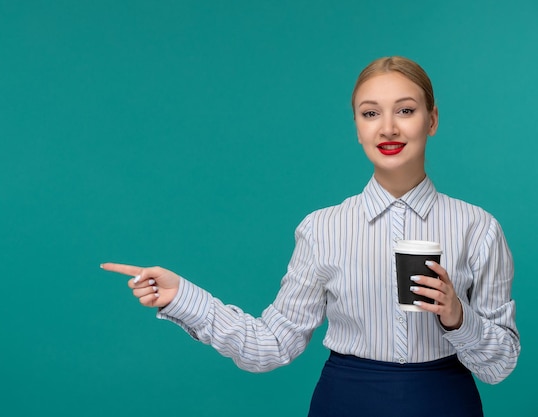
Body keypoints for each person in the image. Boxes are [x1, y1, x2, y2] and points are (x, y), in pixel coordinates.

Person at [101, 56, 520, 417]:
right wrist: (183, 297)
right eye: (370, 113)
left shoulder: (478, 228)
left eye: (406, 110)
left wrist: (456, 316)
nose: (388, 127)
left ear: (432, 119)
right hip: (347, 401)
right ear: (357, 127)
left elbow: (499, 366)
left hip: (443, 400)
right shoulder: (323, 228)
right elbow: (271, 345)